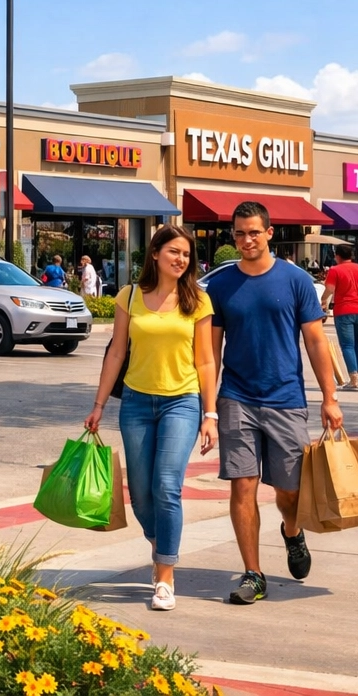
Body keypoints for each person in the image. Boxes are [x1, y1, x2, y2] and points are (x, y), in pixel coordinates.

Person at [203, 201, 342, 606]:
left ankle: (292, 532)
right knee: (242, 485)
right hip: (237, 398)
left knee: (289, 492)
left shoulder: (295, 281)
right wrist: (209, 408)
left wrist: (329, 398)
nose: (246, 240)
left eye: (253, 232)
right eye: (239, 233)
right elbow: (210, 353)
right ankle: (254, 574)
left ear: (268, 232)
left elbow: (316, 341)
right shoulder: (222, 286)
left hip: (286, 399)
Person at [84, 225, 217, 612]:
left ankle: (165, 576)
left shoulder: (198, 301)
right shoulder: (130, 296)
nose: (181, 260)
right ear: (156, 253)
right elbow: (115, 353)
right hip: (138, 404)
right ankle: (162, 543)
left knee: (166, 486)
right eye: (174, 252)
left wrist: (210, 414)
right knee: (140, 494)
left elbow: (206, 360)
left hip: (183, 402)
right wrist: (99, 405)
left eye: (187, 255)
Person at [321, 244, 358, 391]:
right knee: (355, 344)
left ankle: (353, 378)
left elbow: (330, 289)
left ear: (337, 256)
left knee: (347, 345)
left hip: (344, 311)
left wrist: (323, 301)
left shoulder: (335, 270)